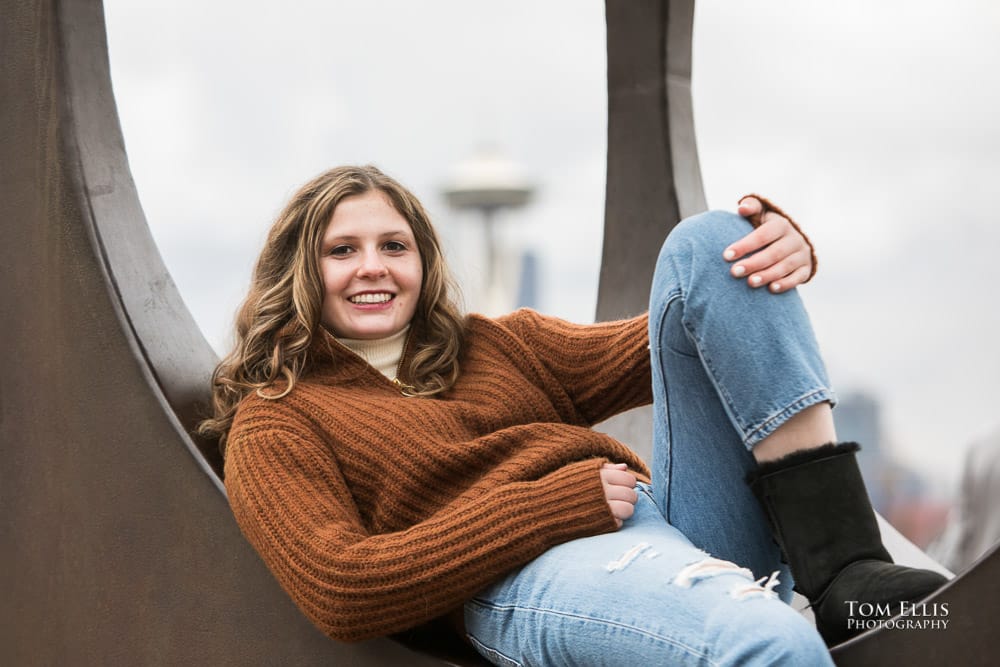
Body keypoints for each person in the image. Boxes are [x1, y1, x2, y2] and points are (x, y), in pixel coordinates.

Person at [200, 165, 946, 665]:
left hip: (663, 523)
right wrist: (544, 509)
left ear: (423, 261)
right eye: (342, 249)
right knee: (768, 642)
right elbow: (342, 585)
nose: (373, 265)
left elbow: (686, 321)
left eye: (393, 244)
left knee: (712, 247)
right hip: (523, 575)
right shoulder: (279, 420)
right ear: (300, 271)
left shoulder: (492, 345)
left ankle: (845, 564)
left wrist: (767, 256)